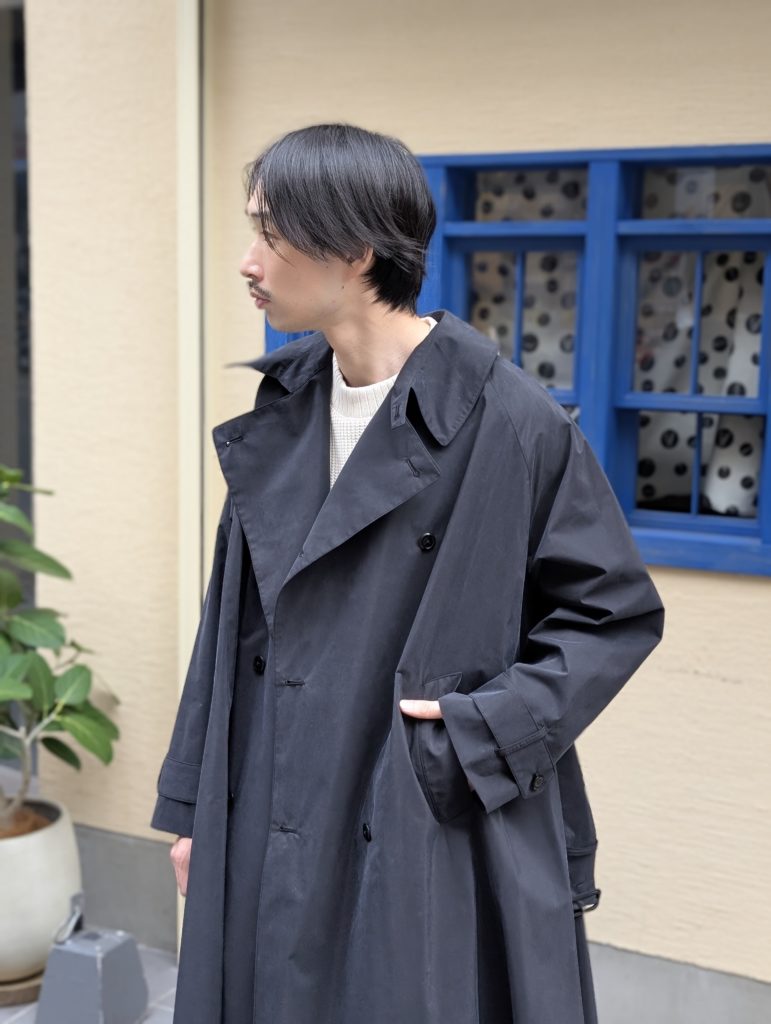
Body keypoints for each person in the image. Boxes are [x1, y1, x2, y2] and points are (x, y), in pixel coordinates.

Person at [151, 122, 665, 1024]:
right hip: (269, 787)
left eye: (270, 233)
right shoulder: (287, 404)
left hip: (417, 803)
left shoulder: (512, 423)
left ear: (353, 251)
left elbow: (612, 612)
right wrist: (194, 806)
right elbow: (230, 620)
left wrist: (483, 730)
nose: (247, 261)